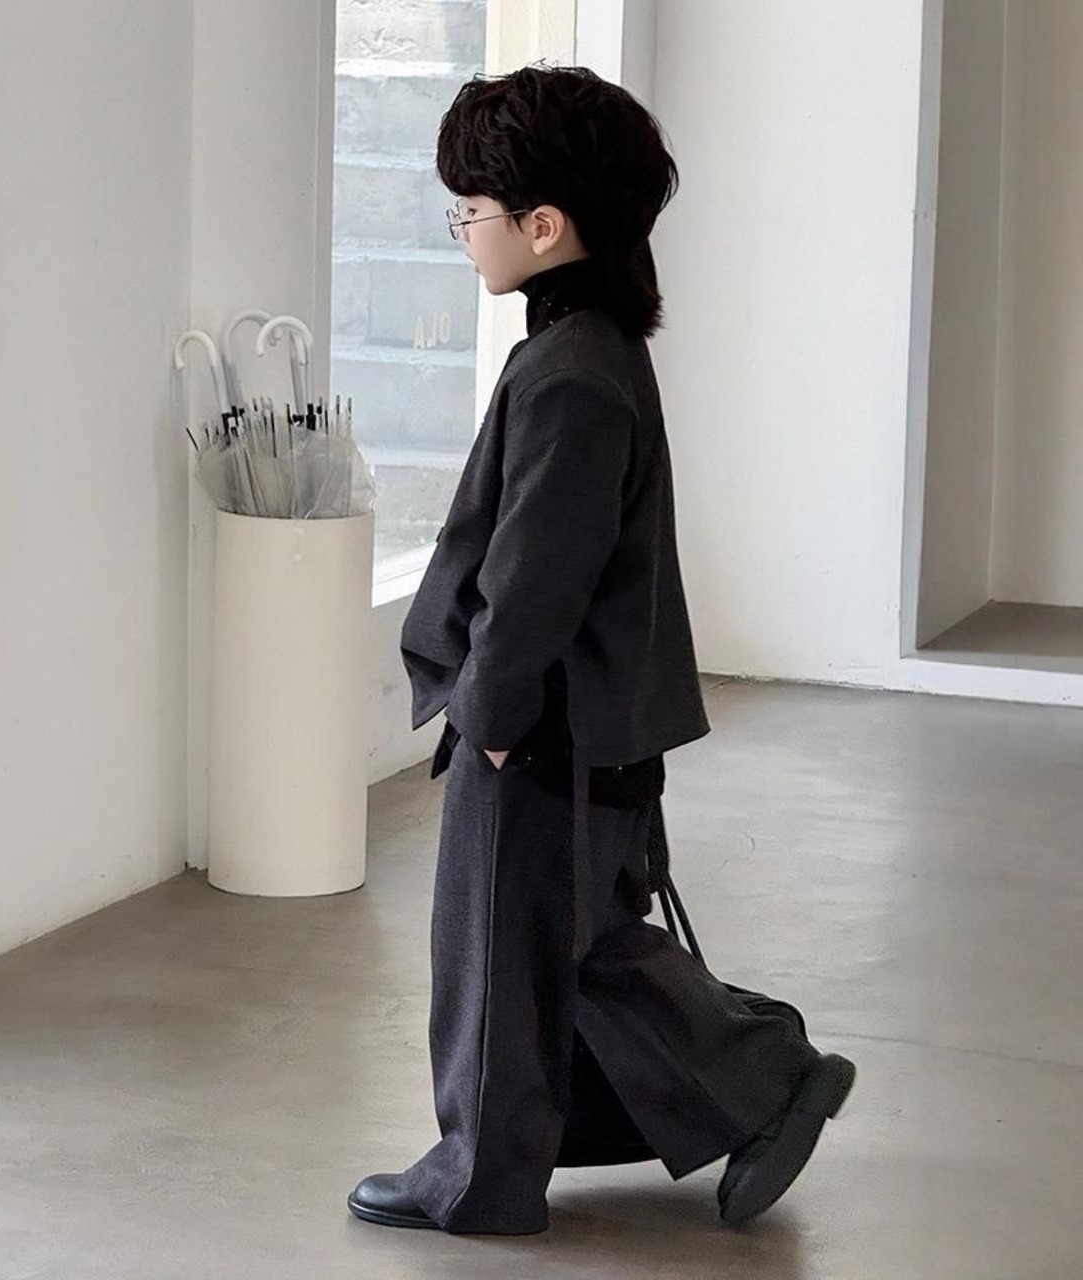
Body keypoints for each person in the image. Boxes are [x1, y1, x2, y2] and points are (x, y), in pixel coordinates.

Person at [347, 64, 855, 1237]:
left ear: (543, 225)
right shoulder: (591, 350)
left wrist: (490, 718)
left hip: (545, 731)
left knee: (498, 955)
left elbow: (534, 576)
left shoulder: (570, 372)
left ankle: (484, 1175)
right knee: (571, 947)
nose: (461, 232)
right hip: (587, 726)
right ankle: (755, 1078)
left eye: (469, 211)